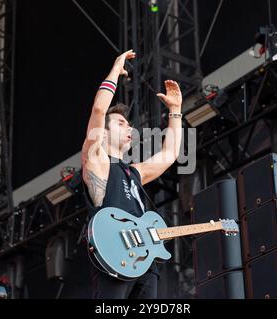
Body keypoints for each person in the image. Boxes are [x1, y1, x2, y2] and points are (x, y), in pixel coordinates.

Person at [81, 49, 183, 299]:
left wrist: (175, 111)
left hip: (144, 261)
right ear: (103, 134)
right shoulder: (97, 160)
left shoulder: (133, 172)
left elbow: (169, 155)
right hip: (114, 258)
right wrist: (115, 71)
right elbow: (98, 111)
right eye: (120, 123)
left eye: (129, 123)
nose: (130, 127)